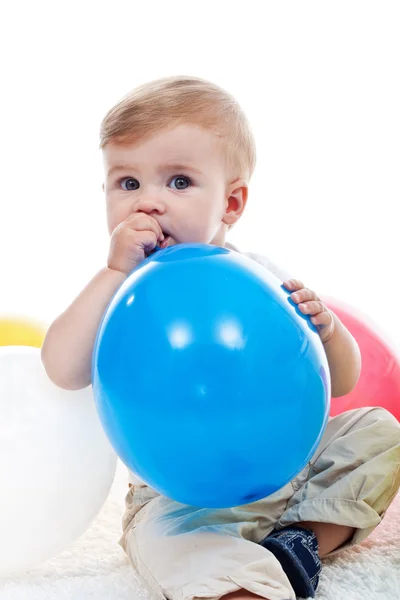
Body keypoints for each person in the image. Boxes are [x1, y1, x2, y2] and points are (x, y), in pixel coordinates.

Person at [41, 76, 400, 600]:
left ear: (231, 203)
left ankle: (302, 545)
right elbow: (59, 367)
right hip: (177, 495)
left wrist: (328, 328)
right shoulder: (118, 294)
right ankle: (241, 576)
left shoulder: (258, 279)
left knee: (377, 432)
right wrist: (113, 272)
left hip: (284, 466)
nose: (150, 203)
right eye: (128, 183)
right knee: (166, 544)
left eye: (179, 182)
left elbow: (340, 382)